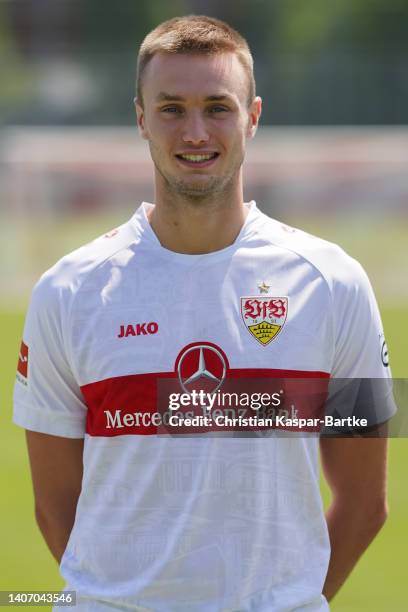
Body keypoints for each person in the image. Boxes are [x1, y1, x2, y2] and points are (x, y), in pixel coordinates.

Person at [13, 15, 395, 612]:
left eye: (217, 107)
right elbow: (54, 504)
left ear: (254, 116)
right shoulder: (67, 290)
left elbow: (366, 502)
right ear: (140, 117)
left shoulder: (335, 283)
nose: (195, 131)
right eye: (171, 109)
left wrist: (288, 601)